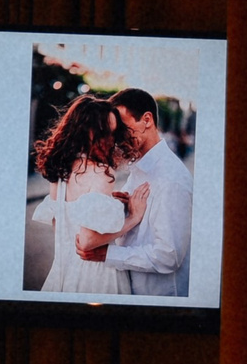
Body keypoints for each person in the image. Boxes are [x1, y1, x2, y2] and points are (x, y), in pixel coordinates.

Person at [73, 88, 193, 296]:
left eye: (123, 129)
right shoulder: (139, 169)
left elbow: (169, 255)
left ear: (146, 120)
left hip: (157, 298)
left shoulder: (171, 179)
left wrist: (107, 254)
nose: (116, 139)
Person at [31, 94, 136, 296]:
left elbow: (63, 227)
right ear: (87, 132)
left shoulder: (60, 170)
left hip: (63, 272)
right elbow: (87, 242)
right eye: (106, 132)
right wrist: (133, 218)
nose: (111, 140)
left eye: (114, 132)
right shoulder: (102, 173)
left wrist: (108, 205)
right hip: (98, 276)